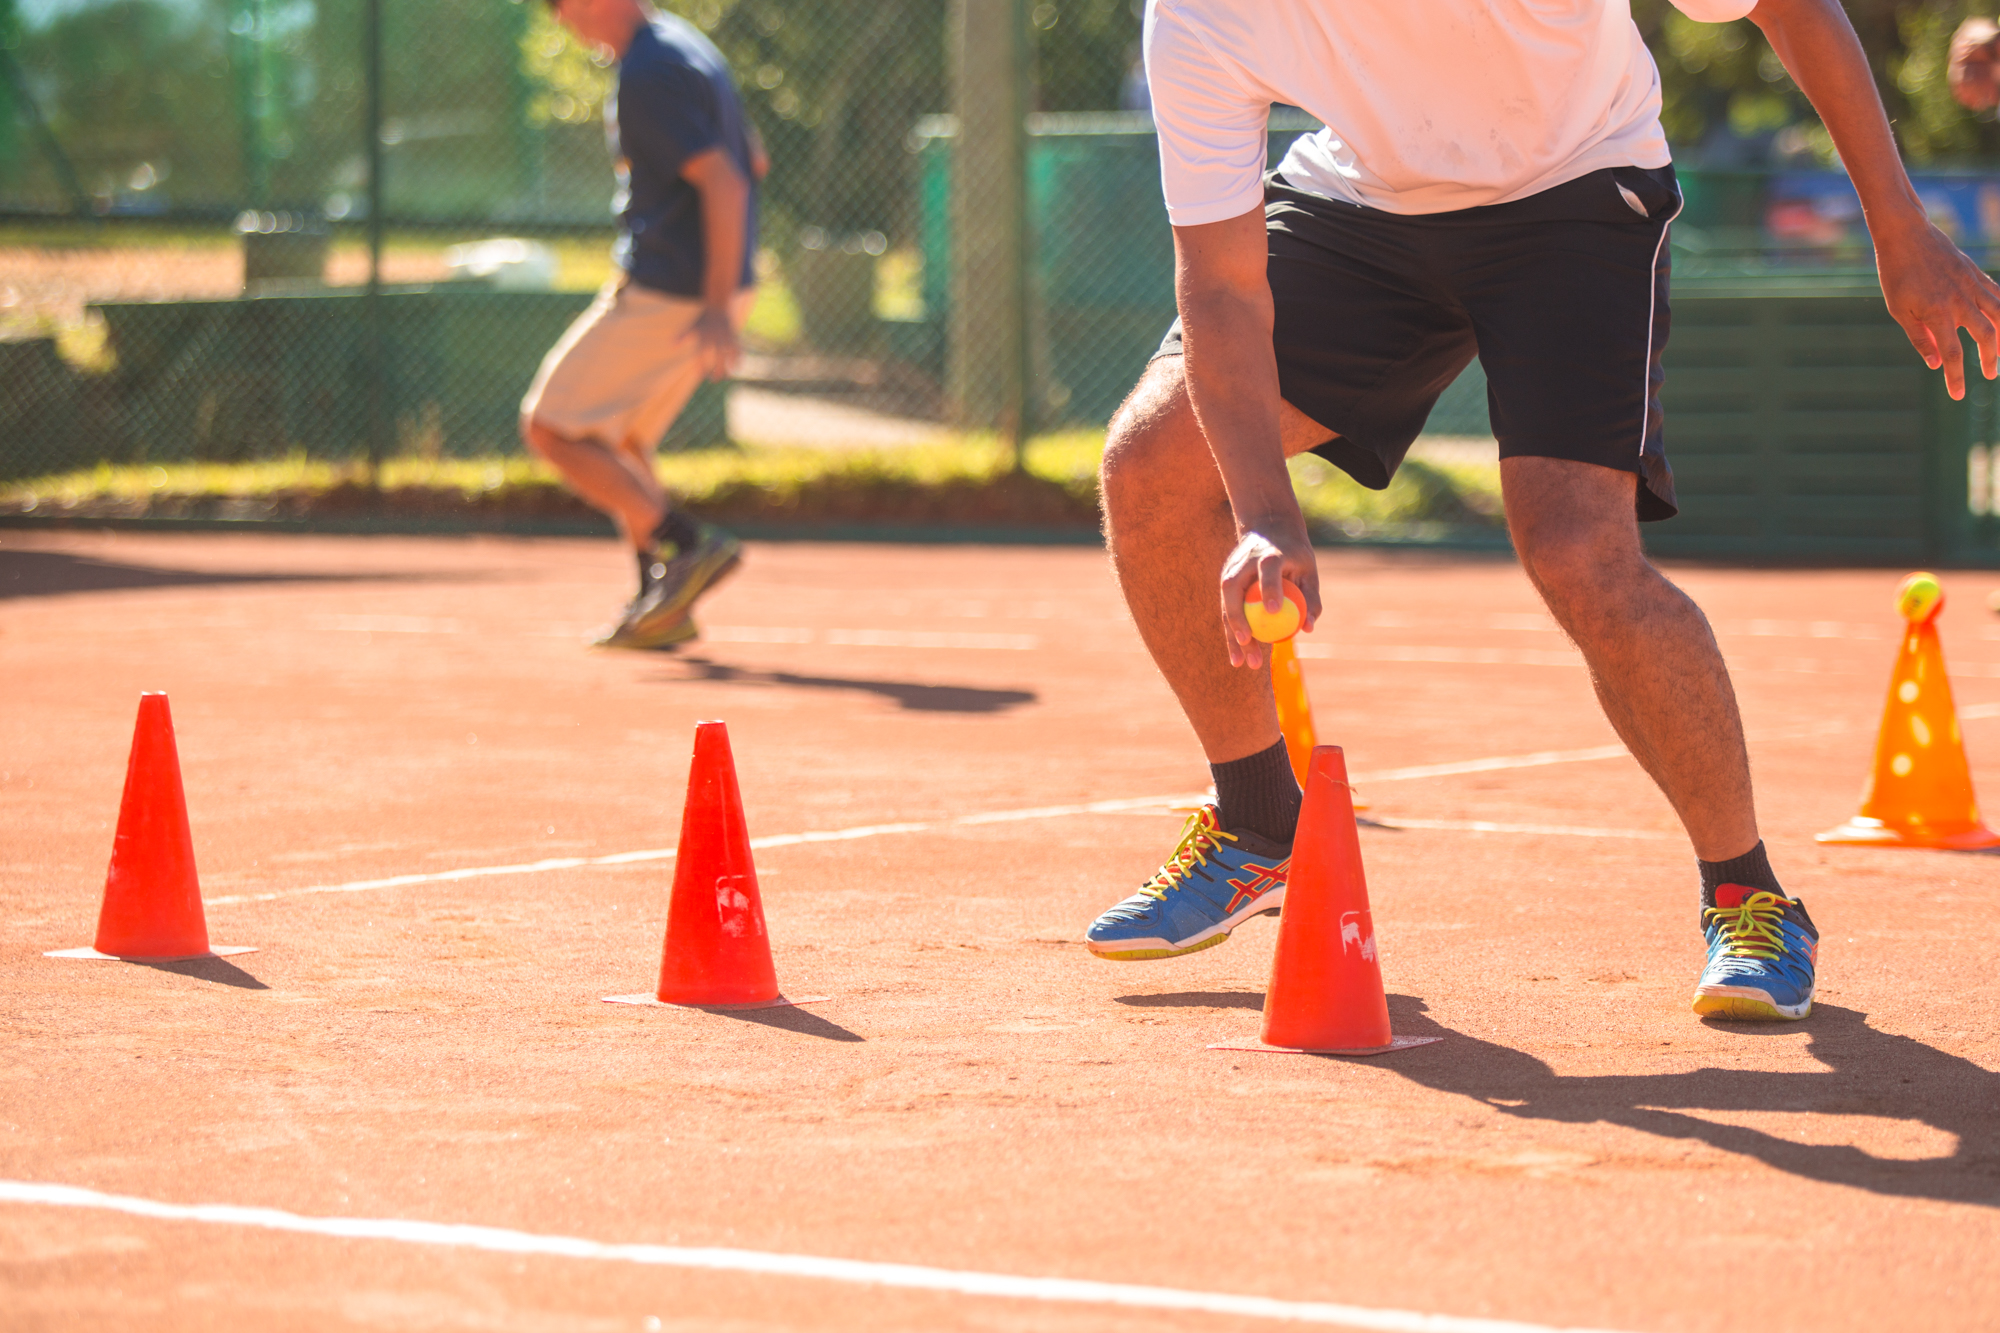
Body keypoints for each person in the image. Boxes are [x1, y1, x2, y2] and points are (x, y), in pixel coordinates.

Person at [1083, 0, 2000, 1022]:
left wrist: (1896, 224)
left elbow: (1786, 5)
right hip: (1365, 206)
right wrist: (1261, 509)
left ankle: (1748, 895)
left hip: (1576, 191)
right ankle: (1256, 822)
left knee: (1574, 550)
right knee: (1150, 470)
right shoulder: (1202, 12)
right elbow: (1219, 288)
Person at [521, 0, 765, 650]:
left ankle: (688, 545)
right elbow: (754, 160)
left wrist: (713, 305)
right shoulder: (684, 46)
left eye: (559, 6)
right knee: (621, 440)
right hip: (705, 286)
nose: (560, 21)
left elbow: (726, 182)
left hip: (672, 292)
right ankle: (660, 598)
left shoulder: (649, 71)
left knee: (550, 427)